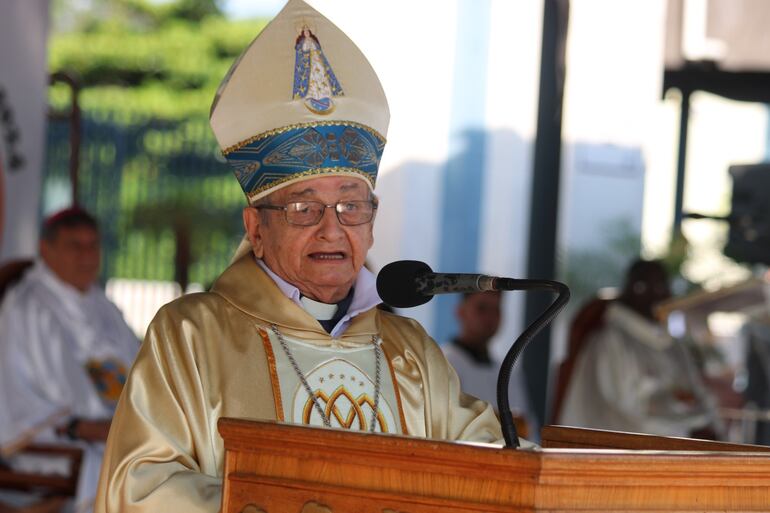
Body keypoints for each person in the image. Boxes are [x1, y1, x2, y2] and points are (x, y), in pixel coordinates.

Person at [95, 2, 521, 512]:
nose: (332, 227)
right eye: (303, 207)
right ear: (256, 228)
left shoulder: (410, 352)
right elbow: (141, 488)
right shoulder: (192, 337)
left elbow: (491, 467)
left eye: (351, 205)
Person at [0, 207, 138, 512]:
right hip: (53, 440)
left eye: (93, 246)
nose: (87, 257)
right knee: (117, 465)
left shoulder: (103, 305)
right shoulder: (29, 306)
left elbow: (143, 369)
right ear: (45, 249)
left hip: (113, 430)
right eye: (75, 246)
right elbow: (18, 392)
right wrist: (83, 427)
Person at [557, 259, 716, 437]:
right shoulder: (611, 342)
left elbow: (701, 398)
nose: (654, 296)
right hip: (632, 449)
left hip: (679, 443)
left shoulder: (674, 346)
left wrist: (702, 422)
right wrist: (685, 429)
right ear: (627, 291)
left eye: (661, 286)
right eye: (642, 287)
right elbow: (617, 417)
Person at [442, 291, 536, 435]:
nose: (490, 317)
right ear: (460, 312)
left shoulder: (509, 370)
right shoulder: (444, 362)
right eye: (482, 308)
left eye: (496, 310)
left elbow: (527, 429)